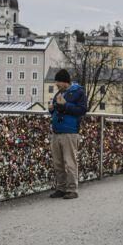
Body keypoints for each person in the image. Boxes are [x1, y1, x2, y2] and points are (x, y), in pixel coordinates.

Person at [49, 69, 88, 200]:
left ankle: (72, 189)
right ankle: (61, 188)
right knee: (58, 162)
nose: (56, 85)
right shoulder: (59, 93)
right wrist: (52, 109)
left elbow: (82, 110)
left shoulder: (79, 92)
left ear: (65, 82)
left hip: (70, 132)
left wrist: (66, 105)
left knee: (69, 162)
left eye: (58, 82)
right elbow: (57, 108)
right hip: (56, 132)